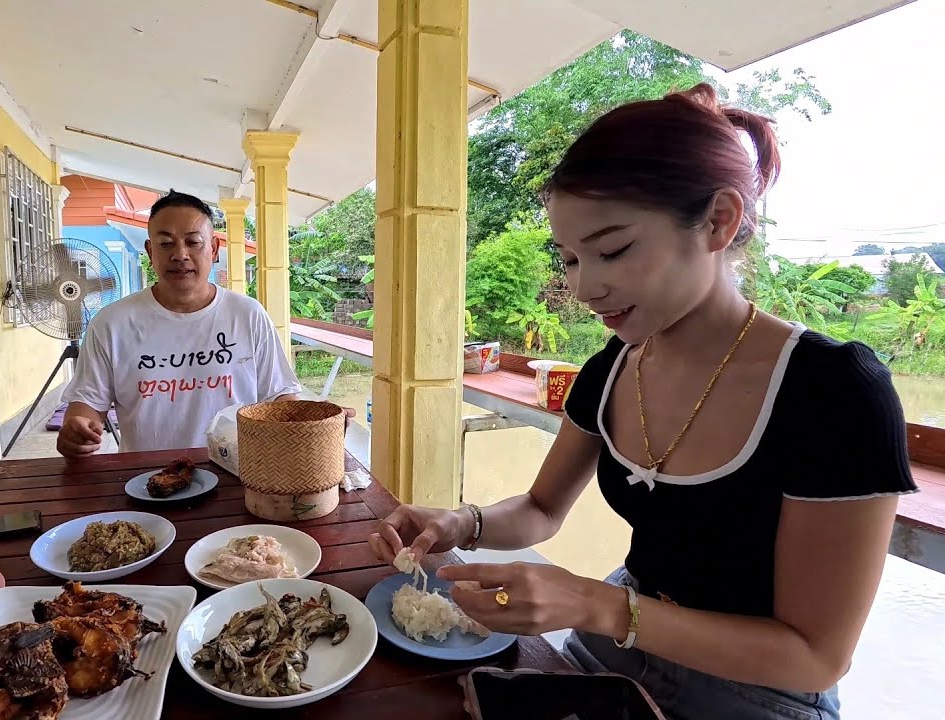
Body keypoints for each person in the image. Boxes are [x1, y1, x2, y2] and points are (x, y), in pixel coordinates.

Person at [369, 84, 916, 720]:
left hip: (753, 693)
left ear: (718, 221)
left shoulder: (831, 390)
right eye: (571, 258)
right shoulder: (611, 368)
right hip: (609, 656)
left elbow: (816, 656)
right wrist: (461, 524)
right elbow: (543, 509)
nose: (585, 286)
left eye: (613, 249)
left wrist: (595, 605)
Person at [57, 190, 306, 456]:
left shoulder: (247, 315)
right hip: (147, 482)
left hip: (235, 475)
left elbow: (280, 397)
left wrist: (320, 424)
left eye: (193, 242)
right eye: (166, 244)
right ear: (150, 251)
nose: (180, 255)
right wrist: (75, 431)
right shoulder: (111, 324)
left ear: (213, 249)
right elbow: (86, 406)